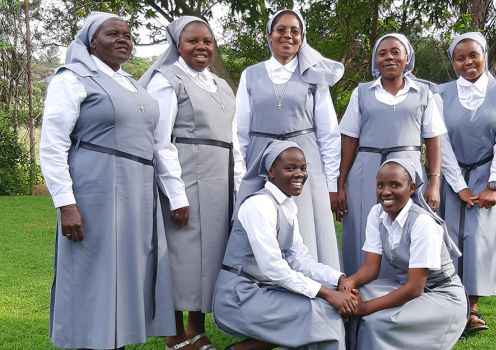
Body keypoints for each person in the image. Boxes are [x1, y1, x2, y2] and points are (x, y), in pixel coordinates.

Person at [40, 11, 181, 349]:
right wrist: (66, 204)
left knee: (127, 274)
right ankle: (89, 341)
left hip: (137, 190)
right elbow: (53, 144)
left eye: (128, 35)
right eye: (112, 34)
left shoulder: (132, 84)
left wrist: (173, 192)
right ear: (91, 41)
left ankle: (114, 342)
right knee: (95, 274)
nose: (123, 39)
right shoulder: (73, 78)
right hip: (97, 188)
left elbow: (159, 143)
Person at [140, 15, 245, 350]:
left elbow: (235, 141)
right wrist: (176, 195)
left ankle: (196, 330)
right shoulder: (167, 80)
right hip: (186, 177)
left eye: (208, 42)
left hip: (220, 180)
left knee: (210, 257)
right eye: (193, 41)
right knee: (181, 258)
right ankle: (174, 335)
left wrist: (239, 189)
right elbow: (161, 141)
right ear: (177, 45)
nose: (201, 47)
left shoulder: (223, 86)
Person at [213, 140, 356, 350]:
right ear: (271, 171)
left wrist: (338, 279)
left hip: (264, 290)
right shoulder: (259, 205)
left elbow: (299, 259)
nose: (299, 174)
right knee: (322, 311)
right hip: (239, 297)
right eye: (290, 168)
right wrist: (326, 293)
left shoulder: (287, 205)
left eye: (303, 168)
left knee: (324, 306)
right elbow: (273, 267)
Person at [236, 9, 343, 269]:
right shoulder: (250, 75)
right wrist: (240, 177)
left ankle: (313, 297)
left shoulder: (314, 76)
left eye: (294, 31)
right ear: (269, 36)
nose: (287, 36)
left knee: (306, 230)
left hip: (305, 164)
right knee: (264, 227)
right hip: (263, 164)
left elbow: (328, 133)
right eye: (280, 30)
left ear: (302, 38)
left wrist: (330, 183)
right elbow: (239, 132)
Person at [338, 33, 446, 275]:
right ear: (375, 60)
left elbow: (433, 140)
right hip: (366, 173)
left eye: (396, 52)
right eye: (382, 53)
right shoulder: (362, 92)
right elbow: (348, 140)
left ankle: (403, 292)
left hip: (409, 172)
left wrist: (435, 183)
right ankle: (357, 294)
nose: (389, 57)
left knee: (408, 228)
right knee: (361, 231)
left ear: (407, 58)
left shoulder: (423, 93)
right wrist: (341, 184)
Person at [341, 159, 468, 350]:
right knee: (352, 300)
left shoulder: (422, 224)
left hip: (442, 295)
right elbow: (371, 268)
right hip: (407, 286)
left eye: (395, 185)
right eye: (380, 185)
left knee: (375, 321)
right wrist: (350, 282)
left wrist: (365, 308)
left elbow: (415, 288)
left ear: (411, 188)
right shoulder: (377, 214)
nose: (385, 192)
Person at [439, 32, 496, 333]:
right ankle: (449, 306)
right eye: (460, 57)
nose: (468, 61)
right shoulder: (440, 94)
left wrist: (494, 184)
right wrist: (458, 185)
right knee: (449, 238)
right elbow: (439, 141)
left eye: (474, 55)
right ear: (453, 62)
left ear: (485, 54)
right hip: (451, 175)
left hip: (487, 173)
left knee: (478, 239)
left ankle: (472, 310)